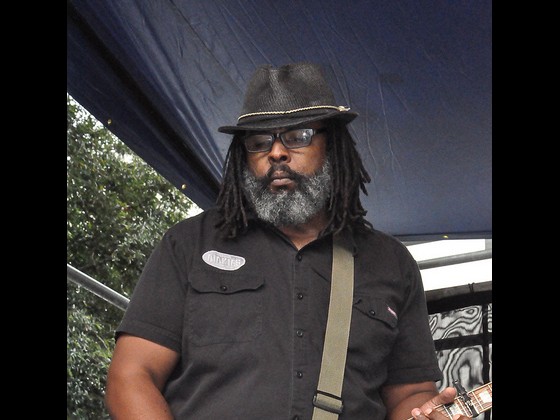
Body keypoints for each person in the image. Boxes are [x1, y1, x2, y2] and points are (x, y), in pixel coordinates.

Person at [105, 62, 473, 420]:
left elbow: (410, 393)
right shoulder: (188, 244)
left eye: (298, 136)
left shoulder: (391, 263)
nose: (276, 153)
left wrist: (429, 413)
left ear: (333, 146)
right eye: (259, 141)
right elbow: (131, 376)